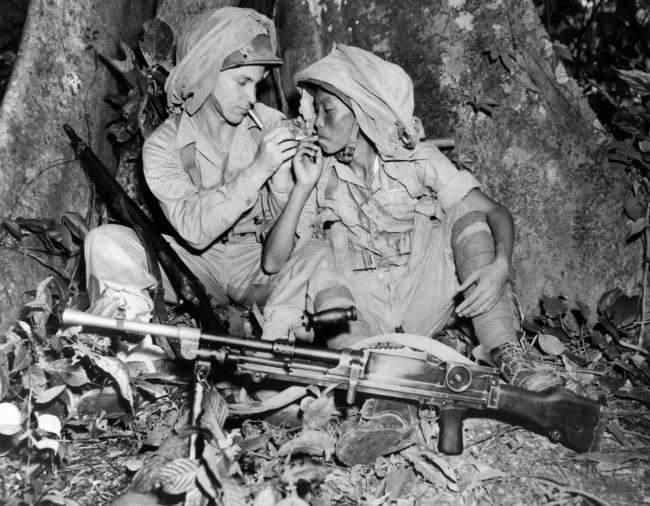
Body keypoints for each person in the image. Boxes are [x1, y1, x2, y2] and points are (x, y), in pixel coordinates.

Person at [262, 44, 562, 394]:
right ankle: (371, 382)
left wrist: (501, 265)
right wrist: (303, 187)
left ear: (360, 115)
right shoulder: (317, 171)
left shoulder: (417, 159)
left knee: (468, 215)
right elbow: (274, 263)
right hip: (361, 317)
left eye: (327, 110)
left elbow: (497, 211)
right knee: (317, 258)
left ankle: (508, 353)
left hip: (421, 297)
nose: (316, 122)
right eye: (316, 111)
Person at [84, 7, 327, 342]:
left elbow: (287, 236)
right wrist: (258, 169)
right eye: (242, 82)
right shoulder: (163, 146)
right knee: (105, 241)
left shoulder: (270, 126)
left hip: (257, 266)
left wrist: (286, 183)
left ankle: (278, 350)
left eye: (256, 85)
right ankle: (139, 356)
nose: (251, 97)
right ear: (205, 73)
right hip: (195, 264)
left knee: (322, 258)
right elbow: (193, 229)